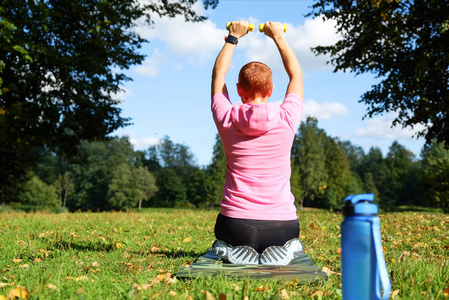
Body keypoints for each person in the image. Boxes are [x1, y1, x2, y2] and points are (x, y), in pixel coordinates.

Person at [210, 21, 304, 266]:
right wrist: (278, 37)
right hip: (282, 228)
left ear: (239, 90)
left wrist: (233, 37)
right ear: (271, 90)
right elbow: (296, 75)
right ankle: (286, 248)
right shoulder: (286, 117)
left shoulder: (227, 117)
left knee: (224, 237)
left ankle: (230, 247)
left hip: (235, 226)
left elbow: (218, 76)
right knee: (289, 240)